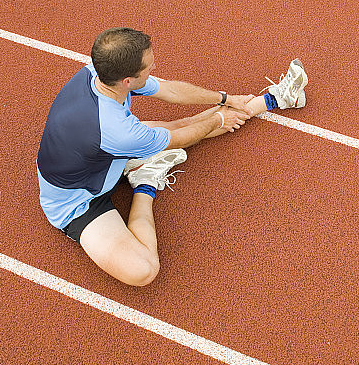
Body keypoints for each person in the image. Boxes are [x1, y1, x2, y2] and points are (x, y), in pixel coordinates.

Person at [36, 27, 308, 286]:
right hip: (78, 202)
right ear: (128, 80)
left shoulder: (98, 71)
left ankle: (273, 99)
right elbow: (183, 138)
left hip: (102, 157)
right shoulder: (119, 132)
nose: (154, 68)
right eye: (149, 66)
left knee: (179, 125)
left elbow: (171, 92)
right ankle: (145, 181)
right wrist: (217, 120)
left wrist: (225, 99)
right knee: (143, 270)